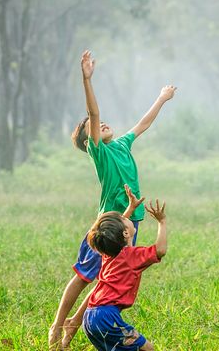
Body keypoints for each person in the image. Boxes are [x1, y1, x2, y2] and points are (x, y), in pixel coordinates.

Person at [49, 49, 176, 349]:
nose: (101, 123)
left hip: (130, 222)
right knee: (84, 276)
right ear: (87, 139)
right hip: (108, 225)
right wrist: (87, 79)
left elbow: (142, 124)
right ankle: (57, 327)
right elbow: (93, 113)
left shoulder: (121, 144)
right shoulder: (100, 152)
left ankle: (72, 329)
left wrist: (161, 98)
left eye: (102, 122)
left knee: (108, 278)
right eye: (92, 127)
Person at [83, 198, 168, 351]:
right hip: (106, 317)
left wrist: (130, 208)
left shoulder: (109, 253)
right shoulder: (132, 256)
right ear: (126, 232)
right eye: (124, 218)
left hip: (89, 317)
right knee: (148, 349)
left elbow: (117, 232)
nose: (126, 217)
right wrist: (162, 222)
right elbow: (160, 250)